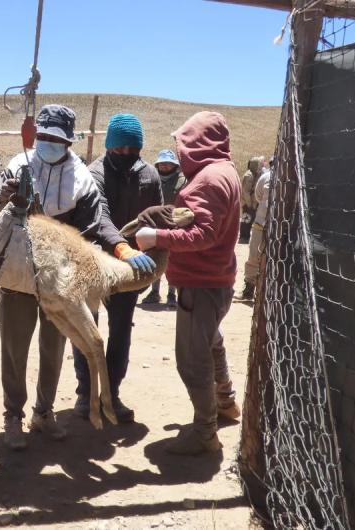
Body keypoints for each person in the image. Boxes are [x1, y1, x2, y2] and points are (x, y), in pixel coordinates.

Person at [0, 105, 152, 450]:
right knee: (14, 347)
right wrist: (4, 197)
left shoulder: (82, 180)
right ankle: (12, 416)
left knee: (54, 346)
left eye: (56, 139)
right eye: (43, 137)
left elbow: (91, 229)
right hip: (17, 275)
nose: (48, 143)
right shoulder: (19, 166)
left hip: (59, 280)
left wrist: (119, 248)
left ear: (68, 142)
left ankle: (43, 413)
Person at [135, 111, 243, 455]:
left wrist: (157, 236)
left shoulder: (209, 179)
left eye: (183, 143)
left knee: (193, 358)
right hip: (218, 279)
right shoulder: (224, 171)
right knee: (212, 343)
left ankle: (204, 433)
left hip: (201, 283)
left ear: (199, 142)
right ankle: (225, 402)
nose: (180, 151)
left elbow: (204, 233)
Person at [72, 113, 160, 424]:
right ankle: (86, 393)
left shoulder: (150, 175)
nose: (125, 154)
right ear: (109, 146)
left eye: (132, 149)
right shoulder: (92, 173)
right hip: (96, 266)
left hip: (131, 271)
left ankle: (112, 393)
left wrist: (154, 265)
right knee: (87, 331)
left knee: (121, 332)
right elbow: (100, 217)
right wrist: (121, 247)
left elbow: (157, 216)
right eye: (119, 148)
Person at [141, 149, 187, 307]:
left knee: (172, 259)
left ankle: (172, 294)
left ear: (174, 165)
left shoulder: (183, 181)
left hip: (174, 225)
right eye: (162, 164)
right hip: (156, 224)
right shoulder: (153, 179)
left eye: (168, 163)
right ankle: (154, 292)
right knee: (155, 258)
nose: (165, 166)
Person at [239, 159, 272, 300]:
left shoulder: (292, 179)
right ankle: (249, 287)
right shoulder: (266, 178)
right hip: (261, 224)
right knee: (254, 256)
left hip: (280, 228)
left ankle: (268, 290)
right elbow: (258, 196)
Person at [238, 156, 265, 243]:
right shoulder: (249, 175)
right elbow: (246, 192)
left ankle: (246, 237)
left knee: (249, 219)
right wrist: (249, 204)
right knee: (246, 219)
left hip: (251, 203)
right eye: (258, 165)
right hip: (247, 203)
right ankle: (243, 237)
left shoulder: (254, 174)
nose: (260, 167)